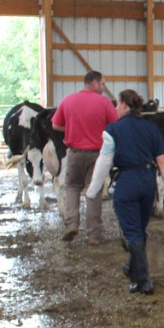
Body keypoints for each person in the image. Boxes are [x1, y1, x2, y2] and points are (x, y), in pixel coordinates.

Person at [85, 89, 164, 295]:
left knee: (132, 233)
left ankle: (144, 281)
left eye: (117, 104)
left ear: (124, 105)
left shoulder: (112, 130)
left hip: (126, 182)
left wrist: (93, 190)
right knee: (140, 230)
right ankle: (133, 269)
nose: (115, 108)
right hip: (147, 181)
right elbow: (162, 160)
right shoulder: (151, 128)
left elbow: (104, 161)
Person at [51, 70, 119, 244]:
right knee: (93, 190)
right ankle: (94, 235)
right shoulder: (104, 103)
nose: (104, 87)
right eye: (103, 83)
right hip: (97, 154)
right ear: (94, 83)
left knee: (72, 187)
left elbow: (56, 125)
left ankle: (72, 224)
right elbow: (115, 126)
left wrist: (73, 129)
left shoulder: (68, 100)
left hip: (74, 153)